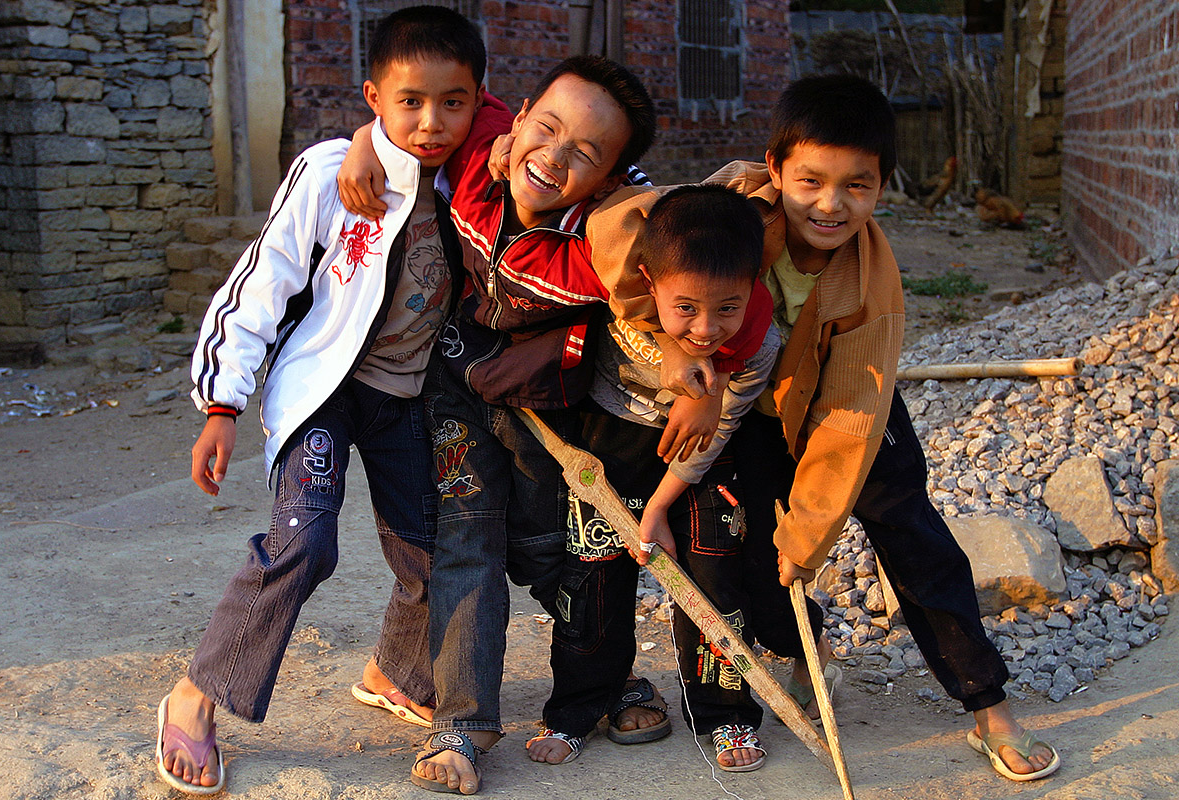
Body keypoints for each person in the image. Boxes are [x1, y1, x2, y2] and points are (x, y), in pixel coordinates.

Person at [591, 73, 1061, 782]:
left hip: (848, 406)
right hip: (753, 405)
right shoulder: (734, 204)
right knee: (733, 537)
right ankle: (800, 648)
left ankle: (989, 707)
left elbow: (849, 423)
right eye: (810, 180)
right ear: (776, 168)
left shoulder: (872, 285)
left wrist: (808, 535)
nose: (830, 204)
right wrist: (684, 359)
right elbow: (625, 238)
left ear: (883, 188)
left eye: (857, 186)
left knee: (911, 532)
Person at [154, 7, 486, 794]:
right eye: (409, 102)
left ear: (480, 101)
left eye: (454, 102)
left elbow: (559, 145)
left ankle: (394, 672)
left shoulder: (483, 175)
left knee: (431, 552)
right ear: (373, 95)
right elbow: (262, 284)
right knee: (305, 541)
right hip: (325, 395)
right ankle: (196, 694)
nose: (431, 122)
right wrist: (222, 404)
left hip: (409, 397)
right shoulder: (334, 173)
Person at [338, 54, 664, 795]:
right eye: (544, 129)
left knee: (556, 551)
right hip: (456, 386)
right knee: (467, 540)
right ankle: (462, 723)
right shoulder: (482, 160)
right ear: (516, 118)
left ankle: (605, 680)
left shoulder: (604, 241)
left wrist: (570, 344)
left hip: (547, 409)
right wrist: (366, 137)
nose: (551, 157)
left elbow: (687, 234)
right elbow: (427, 102)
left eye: (584, 154)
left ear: (611, 179)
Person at [559, 183, 793, 773]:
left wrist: (658, 507)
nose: (707, 329)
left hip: (706, 458)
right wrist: (665, 341)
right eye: (685, 307)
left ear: (753, 286)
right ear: (648, 281)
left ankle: (726, 715)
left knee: (717, 578)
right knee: (594, 577)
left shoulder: (759, 341)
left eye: (727, 308)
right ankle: (580, 707)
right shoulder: (620, 305)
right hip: (611, 443)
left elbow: (717, 431)